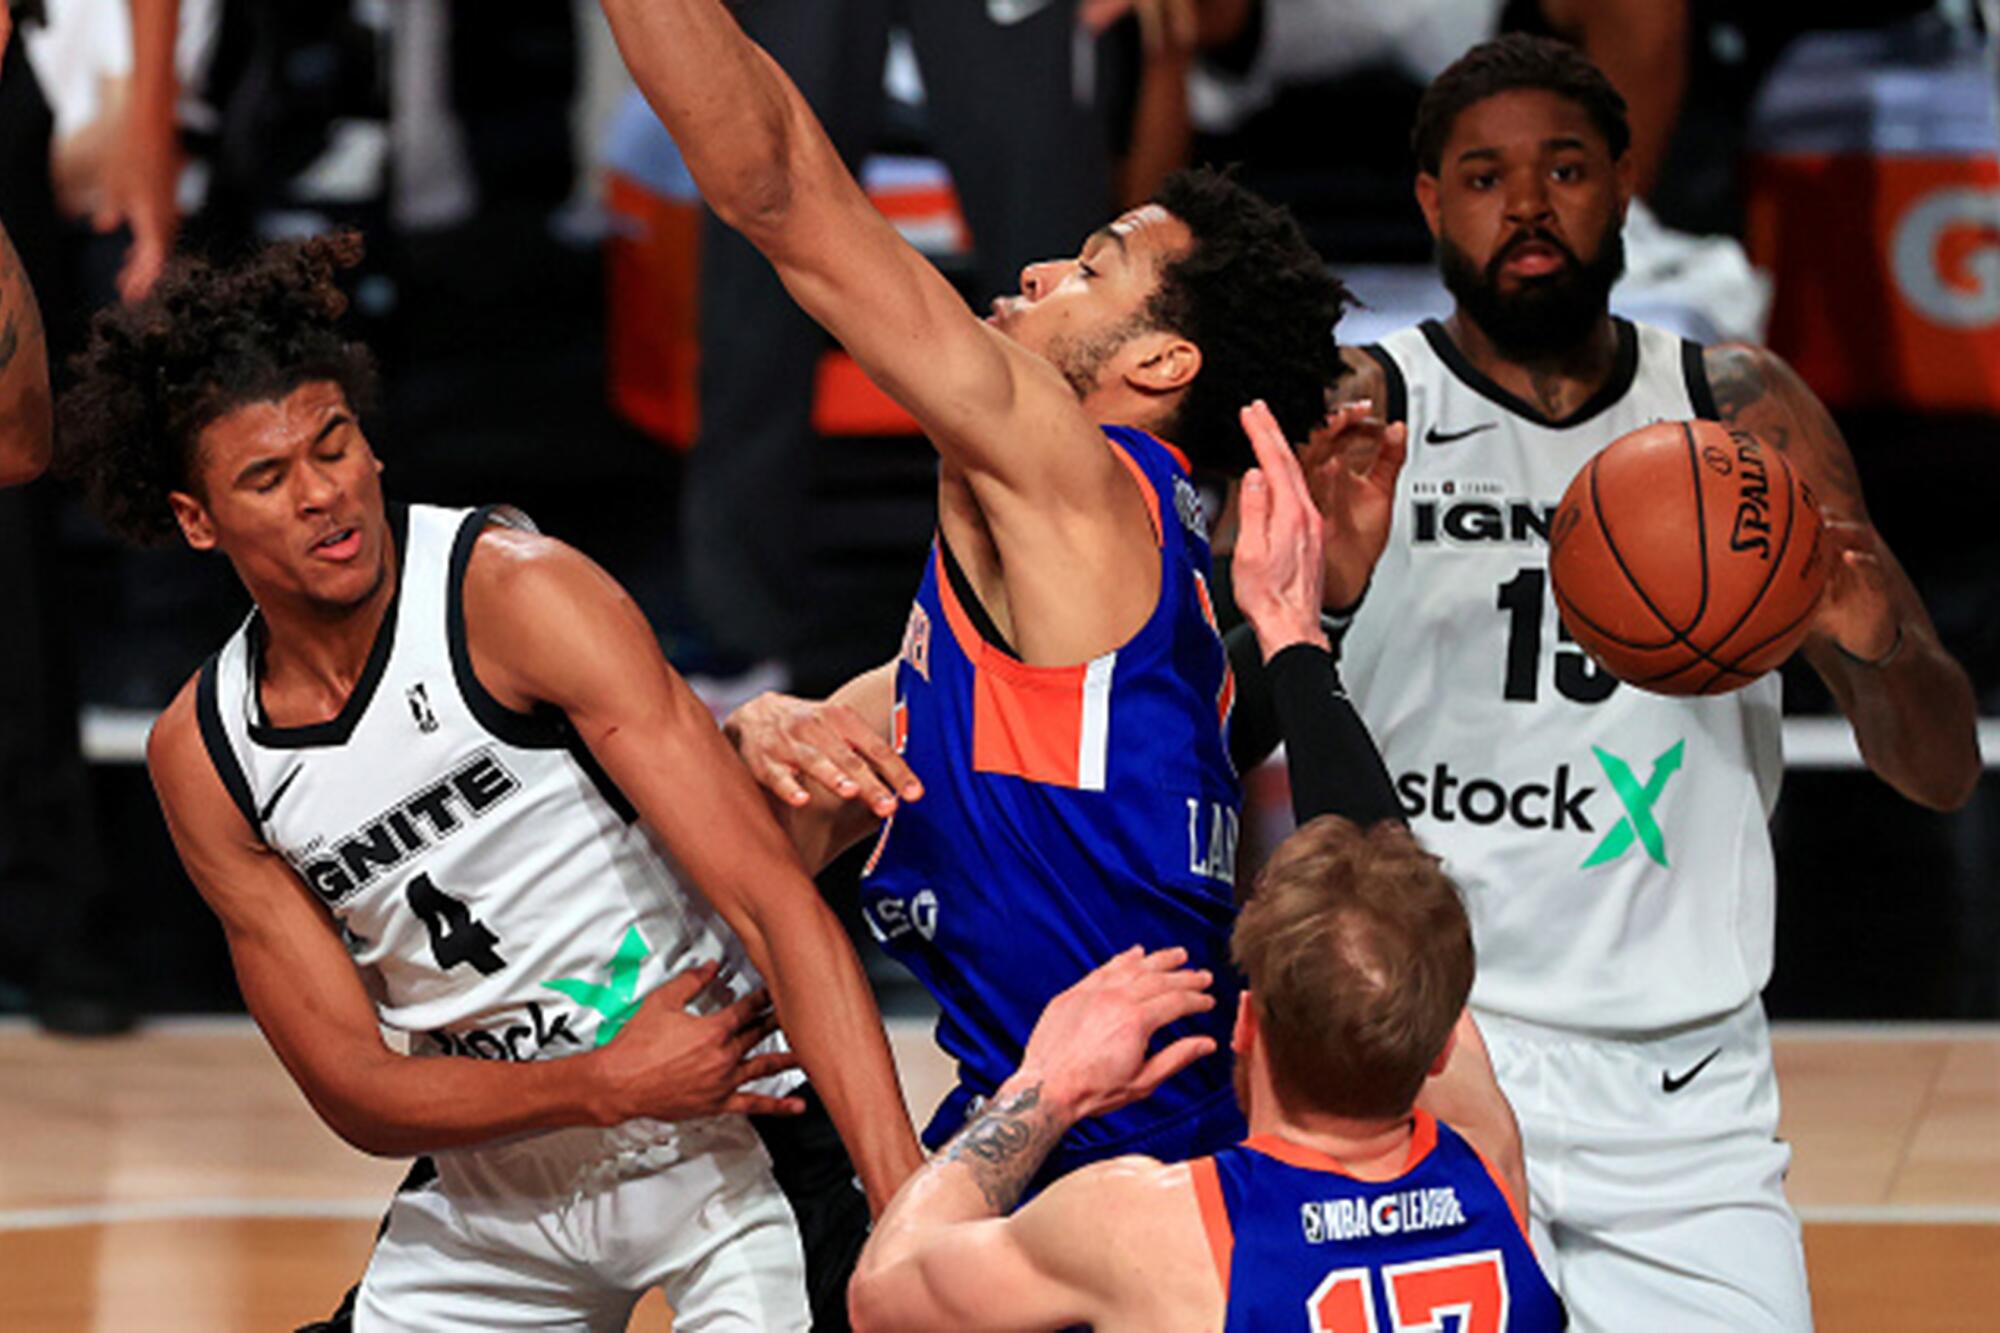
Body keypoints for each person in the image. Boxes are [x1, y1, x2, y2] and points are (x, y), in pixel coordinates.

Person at [55, 235, 921, 1331]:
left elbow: (776, 906)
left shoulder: (515, 596)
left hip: (726, 1133)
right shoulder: (208, 752)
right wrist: (599, 1083)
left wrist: (906, 1214)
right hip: (499, 1186)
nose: (321, 495)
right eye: (267, 479)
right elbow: (355, 1088)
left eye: (334, 446)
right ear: (196, 519)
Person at [601, 0, 1351, 1184]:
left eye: (1088, 273)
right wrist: (758, 728)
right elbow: (763, 841)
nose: (1037, 269)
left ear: (1157, 365)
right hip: (1056, 1143)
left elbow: (784, 189)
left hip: (1111, 1179)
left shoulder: (1081, 474)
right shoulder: (1081, 606)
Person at [1308, 34, 1981, 1330]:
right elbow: (1217, 722)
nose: (1527, 205)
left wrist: (1868, 632)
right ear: (1430, 205)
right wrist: (1320, 601)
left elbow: (1942, 767)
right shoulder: (1363, 414)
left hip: (1687, 1089)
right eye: (1484, 175)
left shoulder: (1742, 418)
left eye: (1563, 169)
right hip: (1433, 1051)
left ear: (1624, 185)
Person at [847, 827, 1560, 1332]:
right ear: (1438, 1053)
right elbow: (1418, 979)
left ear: (1243, 1024)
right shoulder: (1489, 1157)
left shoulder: (1149, 1228)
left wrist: (1045, 1087)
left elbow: (880, 1296)